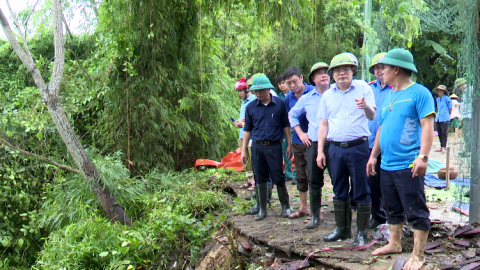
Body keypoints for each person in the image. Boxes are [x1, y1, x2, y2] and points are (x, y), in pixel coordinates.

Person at [367, 48, 435, 270]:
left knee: (415, 209)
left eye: (384, 68)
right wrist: (373, 156)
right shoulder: (389, 95)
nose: (380, 72)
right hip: (387, 164)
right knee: (391, 207)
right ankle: (394, 243)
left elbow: (427, 126)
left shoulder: (420, 93)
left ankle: (418, 255)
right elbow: (381, 129)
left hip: (408, 164)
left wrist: (423, 157)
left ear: (396, 69)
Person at [316, 52, 375, 246]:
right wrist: (320, 151)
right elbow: (323, 124)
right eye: (338, 71)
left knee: (361, 189)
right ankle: (342, 230)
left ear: (353, 71)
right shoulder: (328, 95)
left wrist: (365, 106)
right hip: (335, 149)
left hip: (358, 147)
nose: (342, 74)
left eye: (346, 70)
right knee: (338, 188)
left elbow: (372, 116)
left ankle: (362, 233)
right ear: (332, 74)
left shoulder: (363, 88)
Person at [241, 75, 293, 221]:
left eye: (261, 91)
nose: (258, 94)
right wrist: (244, 150)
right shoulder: (250, 107)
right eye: (256, 91)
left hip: (274, 146)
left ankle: (285, 206)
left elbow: (286, 125)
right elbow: (247, 129)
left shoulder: (279, 104)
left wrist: (289, 145)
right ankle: (262, 208)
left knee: (278, 176)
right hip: (257, 146)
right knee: (260, 177)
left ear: (268, 89)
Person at [289, 62, 331, 229]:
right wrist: (300, 133)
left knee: (339, 179)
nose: (323, 75)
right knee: (314, 179)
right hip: (313, 143)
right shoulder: (307, 98)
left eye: (325, 72)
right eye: (319, 73)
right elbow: (292, 114)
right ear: (312, 79)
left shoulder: (337, 93)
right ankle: (315, 215)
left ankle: (345, 218)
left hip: (335, 142)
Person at [283, 66, 314, 219]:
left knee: (314, 175)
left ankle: (316, 209)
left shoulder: (313, 92)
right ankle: (303, 207)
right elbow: (289, 121)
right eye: (289, 83)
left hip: (313, 140)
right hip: (297, 140)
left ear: (301, 78)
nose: (292, 86)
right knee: (300, 174)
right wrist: (290, 143)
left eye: (295, 81)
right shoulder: (288, 98)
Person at [367, 53, 391, 229]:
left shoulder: (397, 89)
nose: (380, 71)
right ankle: (376, 216)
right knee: (373, 183)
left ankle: (394, 217)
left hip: (389, 144)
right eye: (377, 68)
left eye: (383, 67)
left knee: (390, 183)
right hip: (369, 143)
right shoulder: (368, 89)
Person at [234, 78, 256, 191]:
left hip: (251, 135)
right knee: (245, 158)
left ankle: (255, 181)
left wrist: (243, 124)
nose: (239, 93)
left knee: (252, 158)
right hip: (243, 134)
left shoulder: (253, 101)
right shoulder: (243, 103)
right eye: (238, 92)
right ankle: (249, 180)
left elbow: (253, 120)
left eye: (241, 91)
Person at [276, 75, 296, 182]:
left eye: (283, 83)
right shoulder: (278, 97)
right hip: (284, 128)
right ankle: (288, 173)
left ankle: (297, 174)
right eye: (279, 84)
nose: (282, 85)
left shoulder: (294, 95)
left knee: (298, 150)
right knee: (286, 151)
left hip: (295, 127)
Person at [455, 78, 473, 152]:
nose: (458, 88)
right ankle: (468, 149)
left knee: (468, 133)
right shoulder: (465, 92)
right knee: (466, 133)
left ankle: (470, 150)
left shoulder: (470, 90)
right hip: (465, 115)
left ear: (462, 85)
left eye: (458, 87)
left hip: (469, 115)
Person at [433, 85, 452, 154]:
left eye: (440, 91)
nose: (439, 92)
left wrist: (448, 115)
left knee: (444, 132)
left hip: (445, 117)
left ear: (443, 92)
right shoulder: (437, 99)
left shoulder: (447, 99)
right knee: (439, 132)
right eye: (438, 91)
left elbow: (450, 108)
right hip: (438, 117)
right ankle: (441, 146)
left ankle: (444, 147)